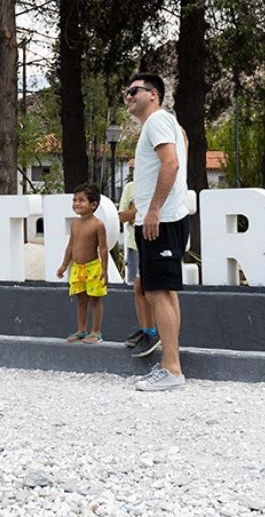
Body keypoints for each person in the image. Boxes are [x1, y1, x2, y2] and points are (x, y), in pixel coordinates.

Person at [125, 72, 189, 391]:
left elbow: (172, 164)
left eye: (134, 90)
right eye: (126, 92)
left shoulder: (158, 121)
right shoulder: (170, 124)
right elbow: (182, 150)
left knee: (157, 292)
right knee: (162, 289)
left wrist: (154, 210)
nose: (128, 96)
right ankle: (171, 362)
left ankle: (172, 368)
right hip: (163, 219)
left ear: (154, 94)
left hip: (161, 222)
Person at [56, 183, 109, 344]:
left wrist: (105, 270)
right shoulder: (74, 224)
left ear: (93, 204)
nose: (77, 203)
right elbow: (71, 246)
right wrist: (64, 265)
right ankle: (81, 329)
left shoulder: (98, 224)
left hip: (93, 268)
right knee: (81, 300)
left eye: (81, 200)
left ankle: (96, 331)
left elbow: (104, 249)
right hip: (77, 268)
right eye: (74, 200)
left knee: (95, 300)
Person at [118, 176, 160, 356]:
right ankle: (147, 331)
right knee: (138, 287)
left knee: (151, 288)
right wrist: (138, 208)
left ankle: (154, 332)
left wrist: (137, 210)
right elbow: (122, 216)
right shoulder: (131, 187)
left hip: (155, 241)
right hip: (136, 243)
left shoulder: (159, 186)